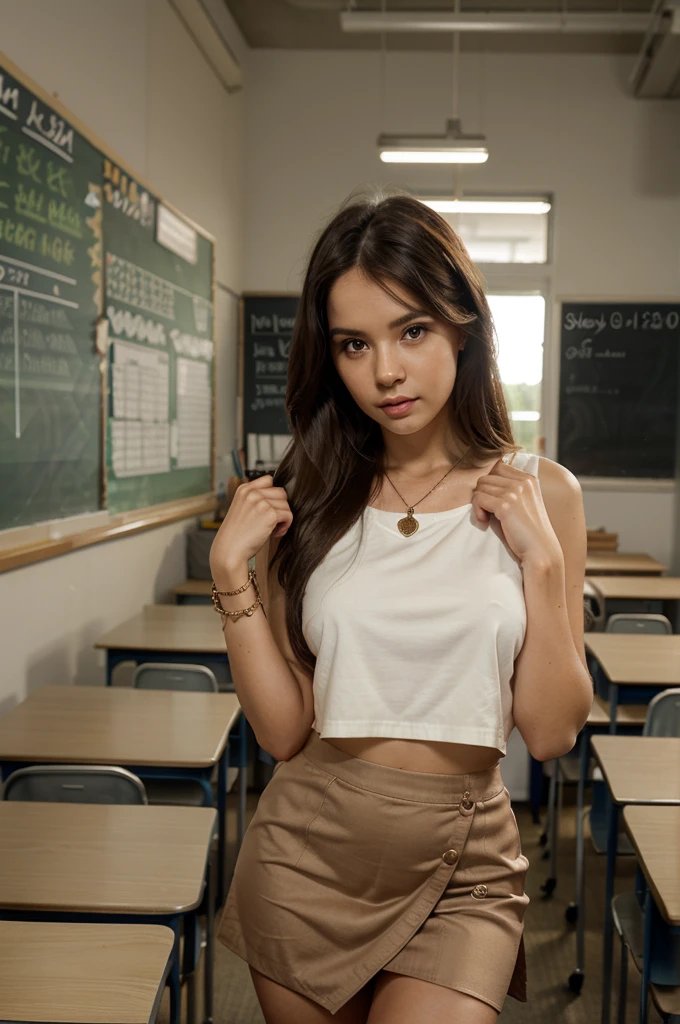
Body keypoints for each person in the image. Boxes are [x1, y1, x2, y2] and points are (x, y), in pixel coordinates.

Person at [211, 190, 593, 1024]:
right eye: (354, 344)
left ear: (463, 325)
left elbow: (553, 730)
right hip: (308, 857)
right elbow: (283, 732)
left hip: (466, 863)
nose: (384, 370)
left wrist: (544, 560)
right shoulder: (307, 499)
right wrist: (230, 573)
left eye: (412, 330)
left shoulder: (543, 494)